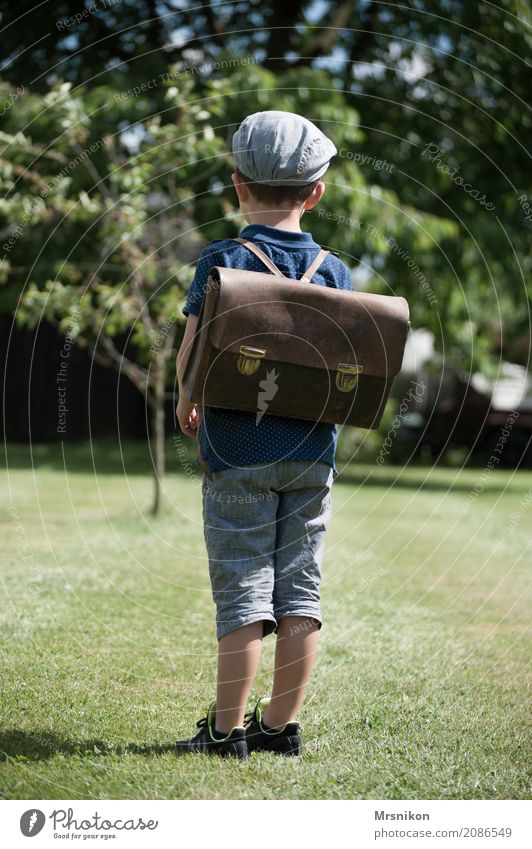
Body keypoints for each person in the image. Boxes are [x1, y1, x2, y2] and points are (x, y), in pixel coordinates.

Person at [175, 110, 353, 759]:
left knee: (245, 587)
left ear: (236, 183)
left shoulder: (222, 261)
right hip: (311, 454)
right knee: (301, 589)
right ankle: (280, 728)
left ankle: (226, 733)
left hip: (236, 451)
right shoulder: (335, 270)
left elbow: (191, 353)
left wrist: (186, 400)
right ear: (316, 193)